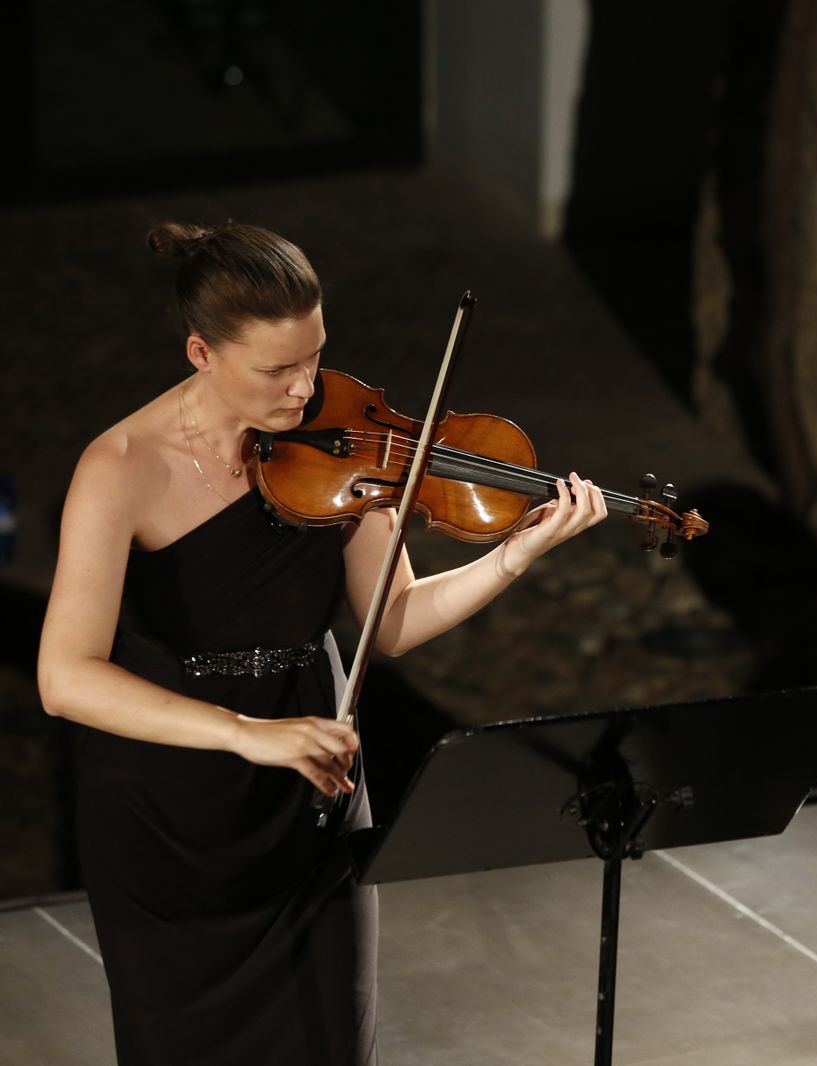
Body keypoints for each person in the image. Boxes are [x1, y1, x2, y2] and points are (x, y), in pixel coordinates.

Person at [35, 221, 608, 1065]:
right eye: (277, 370)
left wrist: (511, 557)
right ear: (201, 352)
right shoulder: (119, 467)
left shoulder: (343, 439)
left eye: (314, 357)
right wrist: (245, 733)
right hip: (173, 811)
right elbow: (65, 678)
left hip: (312, 783)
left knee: (330, 1039)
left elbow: (393, 619)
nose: (305, 389)